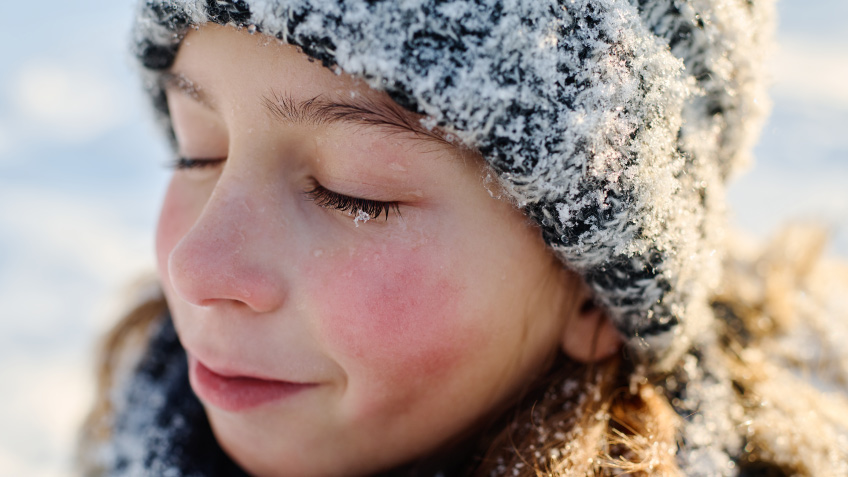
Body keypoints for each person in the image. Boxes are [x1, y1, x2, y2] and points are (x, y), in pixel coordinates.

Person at [78, 1, 848, 476]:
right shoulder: (136, 433)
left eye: (354, 192)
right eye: (197, 151)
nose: (198, 264)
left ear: (592, 294)